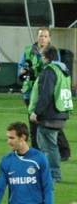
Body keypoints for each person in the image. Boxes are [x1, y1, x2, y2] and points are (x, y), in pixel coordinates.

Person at [29, 44, 72, 184]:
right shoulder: (63, 70)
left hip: (50, 115)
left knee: (49, 147)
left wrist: (36, 111)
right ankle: (47, 174)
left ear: (45, 56)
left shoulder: (49, 71)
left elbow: (46, 93)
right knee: (49, 146)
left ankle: (54, 176)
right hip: (60, 112)